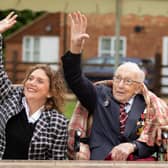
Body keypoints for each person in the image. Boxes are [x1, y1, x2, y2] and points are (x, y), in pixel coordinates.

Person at [61, 11, 168, 160]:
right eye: (118, 78)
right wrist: (75, 48)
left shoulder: (147, 106)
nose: (120, 85)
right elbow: (75, 78)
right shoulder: (99, 95)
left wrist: (133, 146)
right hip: (100, 162)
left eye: (128, 81)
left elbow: (152, 144)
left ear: (138, 87)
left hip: (136, 163)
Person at [0, 12, 68, 160]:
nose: (31, 83)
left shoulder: (57, 122)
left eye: (39, 81)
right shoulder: (10, 96)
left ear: (50, 92)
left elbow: (56, 161)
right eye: (30, 78)